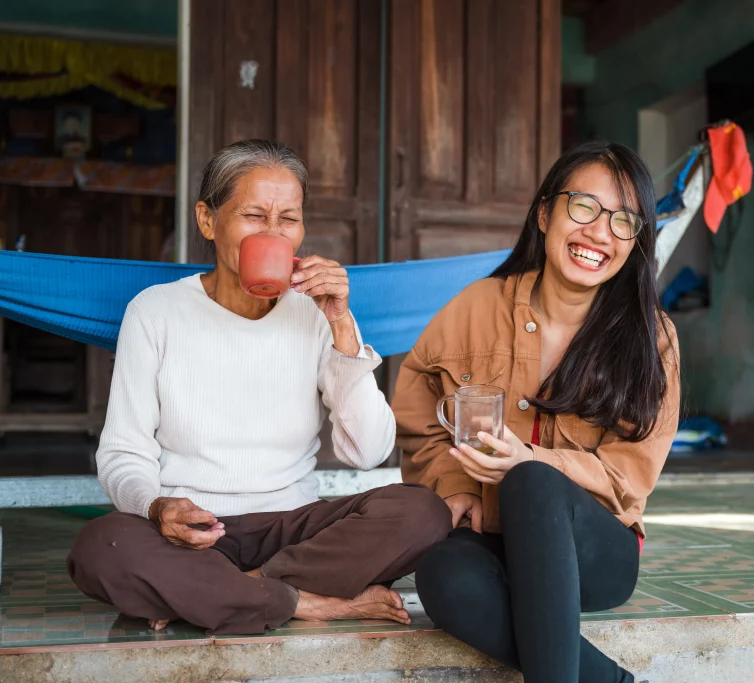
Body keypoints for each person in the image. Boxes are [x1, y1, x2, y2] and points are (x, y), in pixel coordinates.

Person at [68, 139, 451, 636]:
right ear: (207, 220)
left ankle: (232, 594)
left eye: (288, 219)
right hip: (193, 533)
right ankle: (304, 602)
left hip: (293, 529)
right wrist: (159, 508)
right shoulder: (155, 311)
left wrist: (342, 327)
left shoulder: (316, 315)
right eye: (254, 215)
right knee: (101, 547)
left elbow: (369, 452)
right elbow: (123, 453)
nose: (274, 234)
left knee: (421, 511)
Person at [393, 140, 680, 683]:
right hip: (490, 536)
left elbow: (628, 477)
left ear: (636, 242)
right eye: (583, 207)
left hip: (595, 552)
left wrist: (532, 460)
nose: (599, 233)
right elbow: (415, 410)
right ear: (545, 213)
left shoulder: (653, 337)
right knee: (441, 577)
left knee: (531, 479)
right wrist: (453, 483)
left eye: (623, 221)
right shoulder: (478, 305)